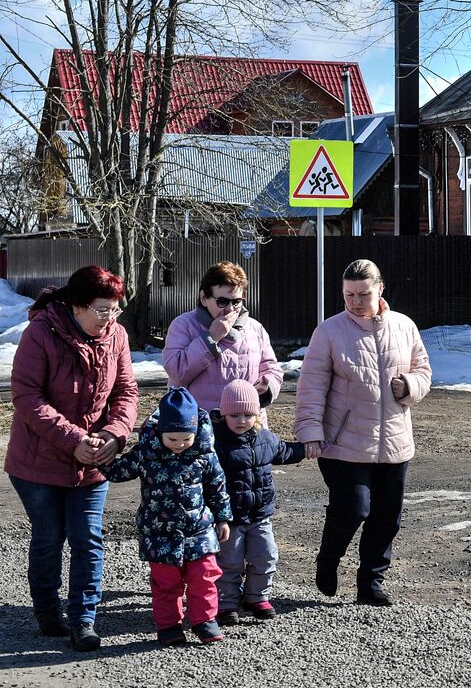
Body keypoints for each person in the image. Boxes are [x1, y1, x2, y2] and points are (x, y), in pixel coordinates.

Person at [5, 265, 138, 651]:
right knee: (49, 537)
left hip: (93, 461)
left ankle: (84, 620)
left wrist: (115, 434)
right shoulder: (40, 333)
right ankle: (48, 612)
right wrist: (74, 438)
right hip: (38, 463)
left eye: (115, 310)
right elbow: (27, 397)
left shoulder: (117, 336)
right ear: (76, 306)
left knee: (88, 539)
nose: (109, 318)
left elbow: (127, 392)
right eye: (102, 310)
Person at [294, 259, 431, 606]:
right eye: (348, 294)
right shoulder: (329, 331)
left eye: (363, 294)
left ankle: (370, 582)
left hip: (395, 441)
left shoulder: (404, 326)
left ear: (380, 289)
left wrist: (409, 386)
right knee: (353, 508)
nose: (355, 301)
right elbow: (310, 388)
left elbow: (424, 371)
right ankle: (328, 559)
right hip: (341, 443)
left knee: (387, 517)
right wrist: (309, 431)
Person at [102, 387, 233, 646]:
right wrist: (98, 459)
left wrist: (223, 518)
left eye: (186, 439)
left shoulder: (205, 455)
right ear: (160, 432)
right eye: (172, 439)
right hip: (160, 532)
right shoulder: (146, 455)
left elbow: (218, 488)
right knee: (165, 583)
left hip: (199, 531)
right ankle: (169, 626)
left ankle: (204, 621)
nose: (180, 445)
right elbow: (118, 471)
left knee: (204, 577)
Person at [211, 379, 305, 626]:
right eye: (234, 415)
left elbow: (285, 451)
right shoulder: (215, 443)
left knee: (266, 555)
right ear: (223, 414)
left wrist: (307, 448)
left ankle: (256, 597)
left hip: (260, 515)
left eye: (248, 414)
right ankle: (227, 603)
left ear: (257, 414)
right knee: (229, 561)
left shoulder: (265, 439)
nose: (241, 420)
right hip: (230, 519)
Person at [163, 261, 281, 413]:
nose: (230, 309)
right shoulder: (183, 325)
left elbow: (272, 369)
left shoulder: (255, 328)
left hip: (247, 424)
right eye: (222, 302)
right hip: (201, 425)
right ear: (204, 298)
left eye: (237, 302)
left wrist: (268, 386)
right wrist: (211, 338)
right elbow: (177, 372)